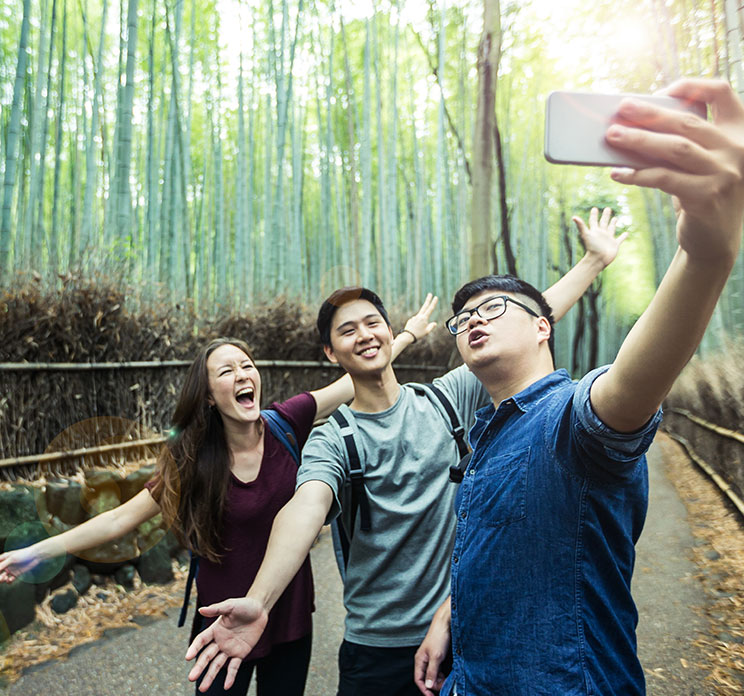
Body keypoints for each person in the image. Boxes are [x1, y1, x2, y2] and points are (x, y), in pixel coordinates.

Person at [183, 212, 626, 695]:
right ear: (331, 354)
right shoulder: (334, 438)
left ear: (390, 334)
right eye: (347, 330)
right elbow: (304, 508)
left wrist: (593, 262)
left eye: (373, 322)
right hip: (376, 649)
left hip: (462, 633)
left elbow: (524, 322)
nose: (365, 334)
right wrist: (260, 600)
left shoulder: (446, 398)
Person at [413, 78, 744, 696]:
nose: (473, 320)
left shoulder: (572, 417)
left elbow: (629, 387)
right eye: (461, 320)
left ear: (544, 326)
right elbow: (500, 552)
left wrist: (704, 257)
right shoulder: (484, 434)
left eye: (493, 307)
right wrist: (447, 618)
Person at [0, 303, 433, 696]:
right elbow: (118, 520)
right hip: (223, 623)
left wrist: (408, 334)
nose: (243, 375)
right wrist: (35, 553)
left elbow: (351, 376)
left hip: (288, 616)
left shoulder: (287, 422)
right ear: (209, 395)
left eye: (247, 366)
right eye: (226, 372)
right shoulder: (191, 459)